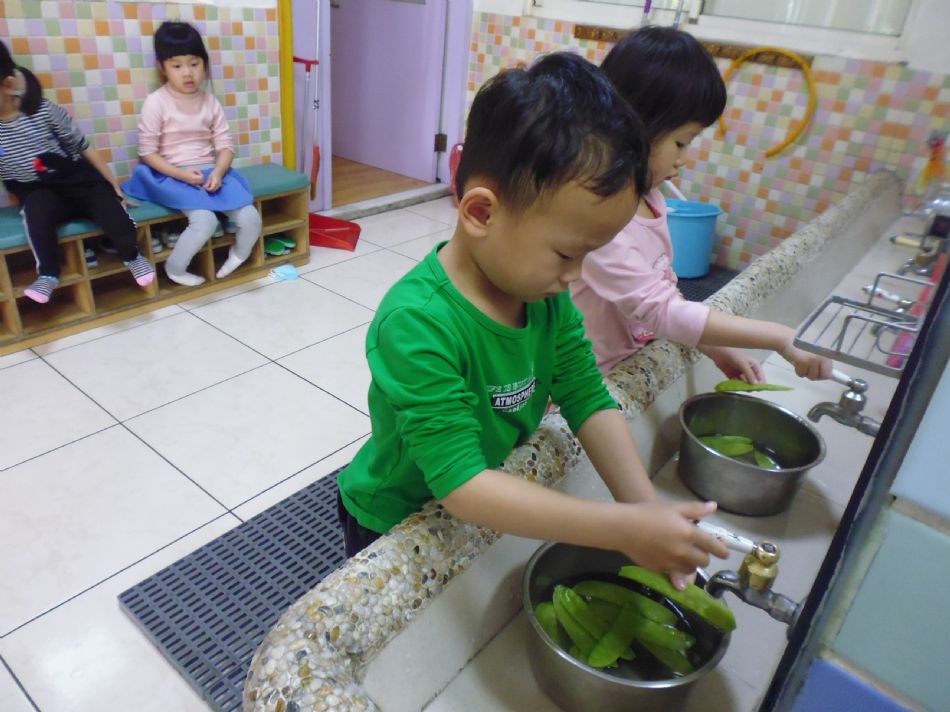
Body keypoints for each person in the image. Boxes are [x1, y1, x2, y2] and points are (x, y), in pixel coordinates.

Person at [336, 52, 729, 588]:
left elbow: (586, 396)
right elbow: (463, 486)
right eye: (567, 254)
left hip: (484, 493)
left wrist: (644, 508)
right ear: (481, 213)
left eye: (590, 255)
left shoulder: (543, 296)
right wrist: (620, 528)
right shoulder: (416, 324)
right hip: (396, 518)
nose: (577, 275)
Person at [572, 26, 832, 381]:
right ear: (634, 126)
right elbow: (660, 310)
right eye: (681, 143)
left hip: (629, 368)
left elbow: (661, 293)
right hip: (585, 384)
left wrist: (715, 347)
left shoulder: (649, 197)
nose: (684, 159)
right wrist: (780, 337)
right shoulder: (598, 220)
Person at [0, 40, 155, 304]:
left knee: (111, 209)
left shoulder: (42, 110)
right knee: (36, 211)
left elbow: (84, 147)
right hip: (41, 193)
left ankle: (133, 257)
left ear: (7, 85)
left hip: (79, 181)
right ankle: (48, 274)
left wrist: (114, 187)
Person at [123, 21, 261, 287]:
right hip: (172, 175)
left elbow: (225, 146)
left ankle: (238, 255)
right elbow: (148, 153)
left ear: (204, 64)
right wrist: (182, 174)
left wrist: (219, 172)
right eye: (177, 65)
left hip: (211, 173)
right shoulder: (156, 102)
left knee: (250, 217)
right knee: (205, 221)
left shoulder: (210, 101)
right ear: (162, 68)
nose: (187, 73)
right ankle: (174, 269)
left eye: (194, 64)